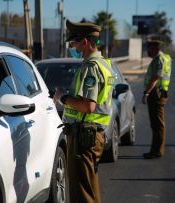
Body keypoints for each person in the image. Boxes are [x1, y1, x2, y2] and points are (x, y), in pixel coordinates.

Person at [54, 19, 114, 203]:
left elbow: (89, 106)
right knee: (89, 189)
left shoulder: (91, 67)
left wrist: (62, 97)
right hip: (92, 135)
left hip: (84, 137)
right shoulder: (104, 63)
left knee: (81, 193)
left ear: (85, 42)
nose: (72, 45)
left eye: (74, 41)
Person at [142, 38, 172, 159]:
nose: (148, 51)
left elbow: (155, 77)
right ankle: (155, 150)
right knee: (155, 124)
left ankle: (157, 151)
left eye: (150, 48)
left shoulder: (159, 59)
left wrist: (147, 92)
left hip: (156, 93)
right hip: (158, 93)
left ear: (155, 48)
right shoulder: (163, 58)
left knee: (157, 124)